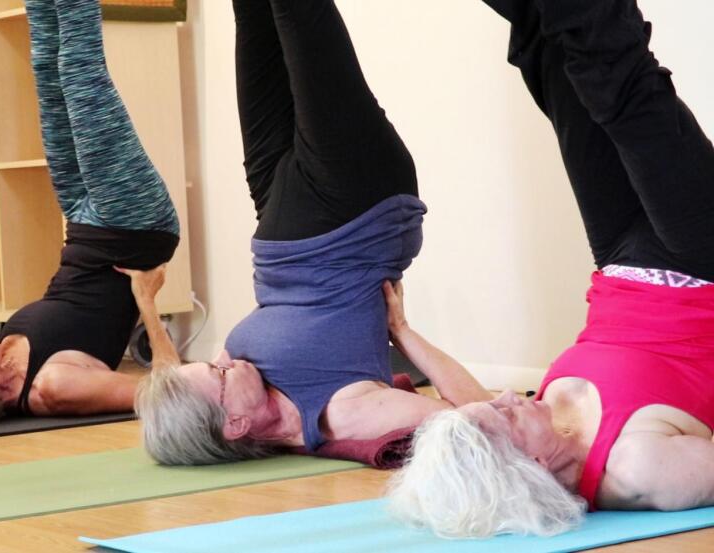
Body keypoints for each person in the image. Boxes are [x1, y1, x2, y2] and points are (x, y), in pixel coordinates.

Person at [389, 0, 714, 538]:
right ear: (533, 467)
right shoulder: (637, 469)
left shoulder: (530, 429)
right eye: (507, 415)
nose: (509, 398)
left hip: (616, 260)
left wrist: (402, 332)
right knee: (622, 84)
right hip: (701, 266)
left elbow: (475, 408)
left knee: (549, 57)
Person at [136, 0, 493, 466]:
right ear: (236, 425)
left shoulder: (233, 386)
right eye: (218, 374)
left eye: (211, 362)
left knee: (253, 13)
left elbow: (186, 382)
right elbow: (479, 421)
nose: (223, 360)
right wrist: (403, 335)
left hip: (273, 212)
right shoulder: (342, 413)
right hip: (353, 205)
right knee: (300, 11)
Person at [0, 0, 181, 430]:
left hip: (82, 220)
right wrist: (147, 304)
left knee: (48, 69)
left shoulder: (7, 356)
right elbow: (172, 390)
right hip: (132, 225)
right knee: (82, 70)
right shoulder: (54, 387)